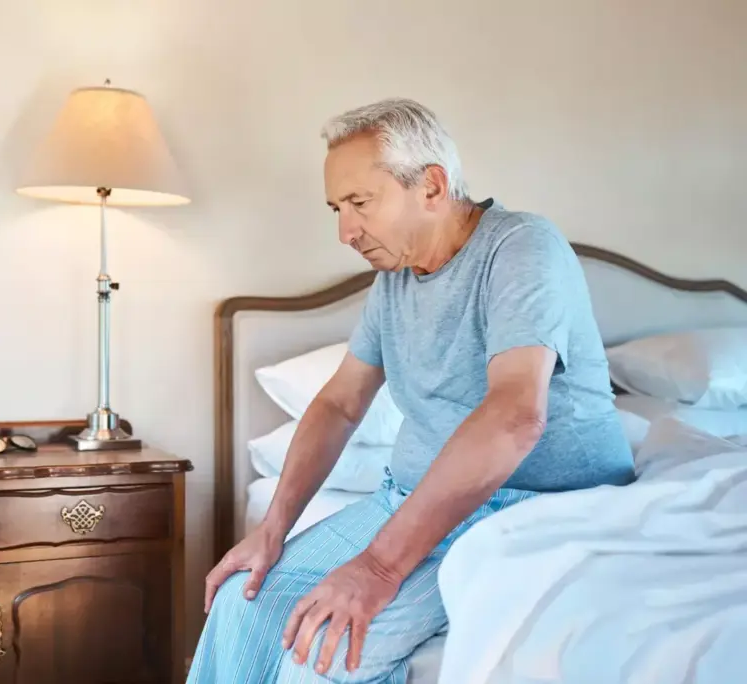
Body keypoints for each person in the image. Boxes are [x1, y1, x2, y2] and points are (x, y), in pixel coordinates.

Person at [186, 97, 635, 683]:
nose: (346, 231)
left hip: (523, 510)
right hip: (403, 500)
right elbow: (339, 403)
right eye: (336, 208)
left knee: (321, 652)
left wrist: (376, 569)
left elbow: (515, 416)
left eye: (359, 203)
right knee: (241, 604)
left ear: (431, 185)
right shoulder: (394, 278)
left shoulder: (523, 247)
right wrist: (272, 530)